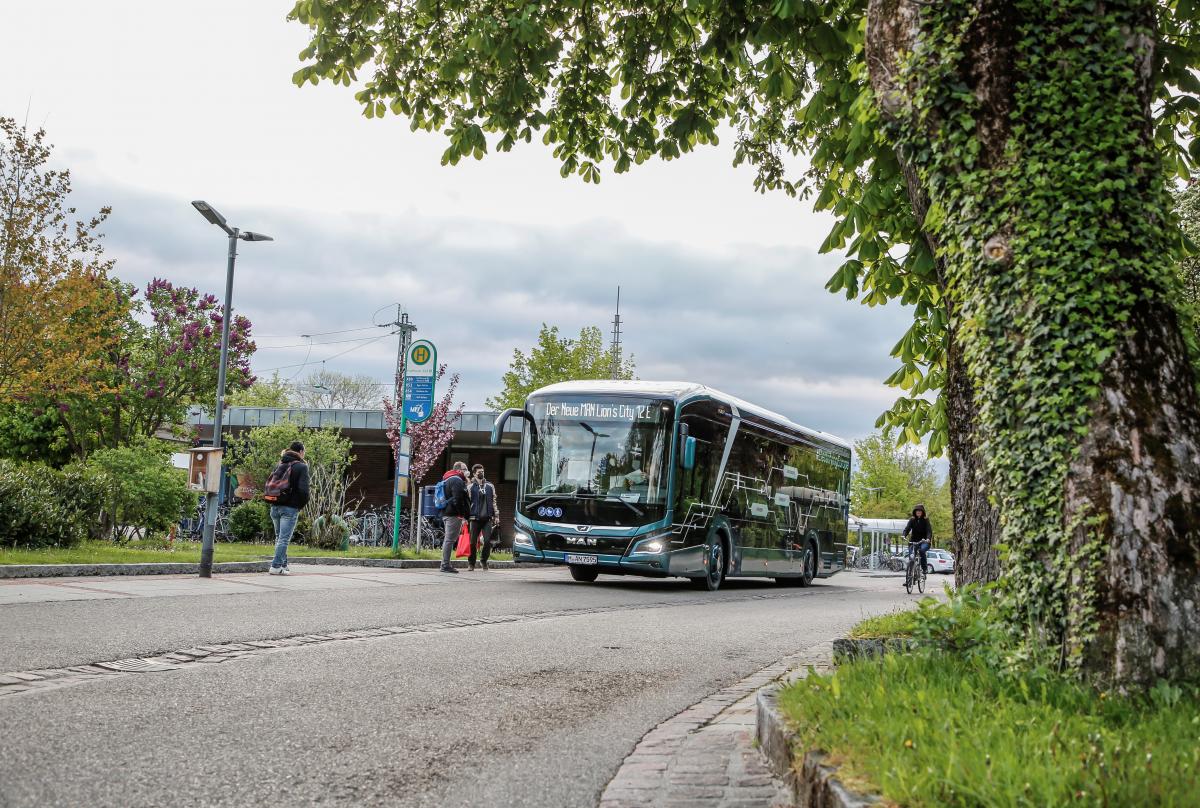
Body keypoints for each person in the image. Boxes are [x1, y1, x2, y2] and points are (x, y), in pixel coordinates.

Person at [268, 441, 309, 575]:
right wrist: (299, 505)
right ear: (301, 452)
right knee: (283, 539)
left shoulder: (280, 463)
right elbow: (304, 491)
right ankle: (275, 566)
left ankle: (283, 566)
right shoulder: (301, 467)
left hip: (275, 506)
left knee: (279, 537)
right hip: (290, 508)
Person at [439, 461, 471, 573]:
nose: (467, 471)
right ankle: (445, 565)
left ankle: (445, 564)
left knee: (448, 539)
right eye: (465, 469)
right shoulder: (457, 480)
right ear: (458, 470)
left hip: (446, 512)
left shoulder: (447, 478)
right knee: (449, 540)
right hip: (453, 514)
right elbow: (458, 499)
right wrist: (461, 514)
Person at [467, 464, 500, 571]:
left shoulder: (490, 486)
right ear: (474, 474)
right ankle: (471, 563)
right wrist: (465, 517)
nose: (481, 473)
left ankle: (483, 560)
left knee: (487, 541)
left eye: (483, 471)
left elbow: (494, 501)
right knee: (472, 542)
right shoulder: (470, 487)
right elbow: (467, 503)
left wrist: (496, 515)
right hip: (474, 518)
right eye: (479, 472)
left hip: (487, 519)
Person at [902, 503, 932, 583]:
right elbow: (907, 529)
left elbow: (929, 531)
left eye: (920, 511)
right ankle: (909, 578)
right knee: (911, 558)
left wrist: (928, 539)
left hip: (924, 541)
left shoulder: (926, 520)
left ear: (922, 512)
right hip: (914, 541)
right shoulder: (912, 520)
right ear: (915, 512)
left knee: (922, 550)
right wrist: (904, 535)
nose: (918, 512)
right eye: (917, 511)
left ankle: (924, 569)